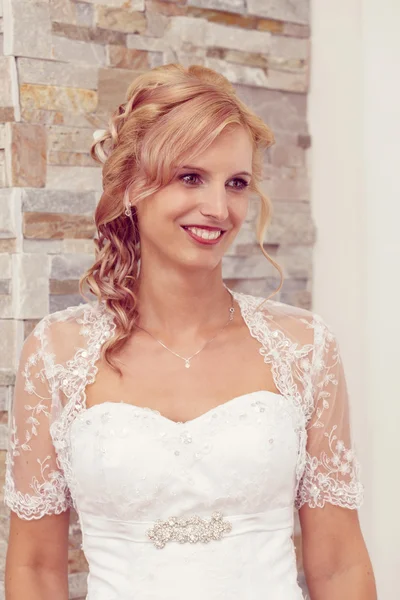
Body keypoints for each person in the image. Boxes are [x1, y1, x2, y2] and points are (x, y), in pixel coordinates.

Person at [4, 64, 376, 600]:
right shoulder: (57, 352)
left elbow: (339, 566)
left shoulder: (304, 348)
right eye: (190, 177)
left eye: (237, 183)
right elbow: (34, 569)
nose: (218, 209)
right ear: (132, 184)